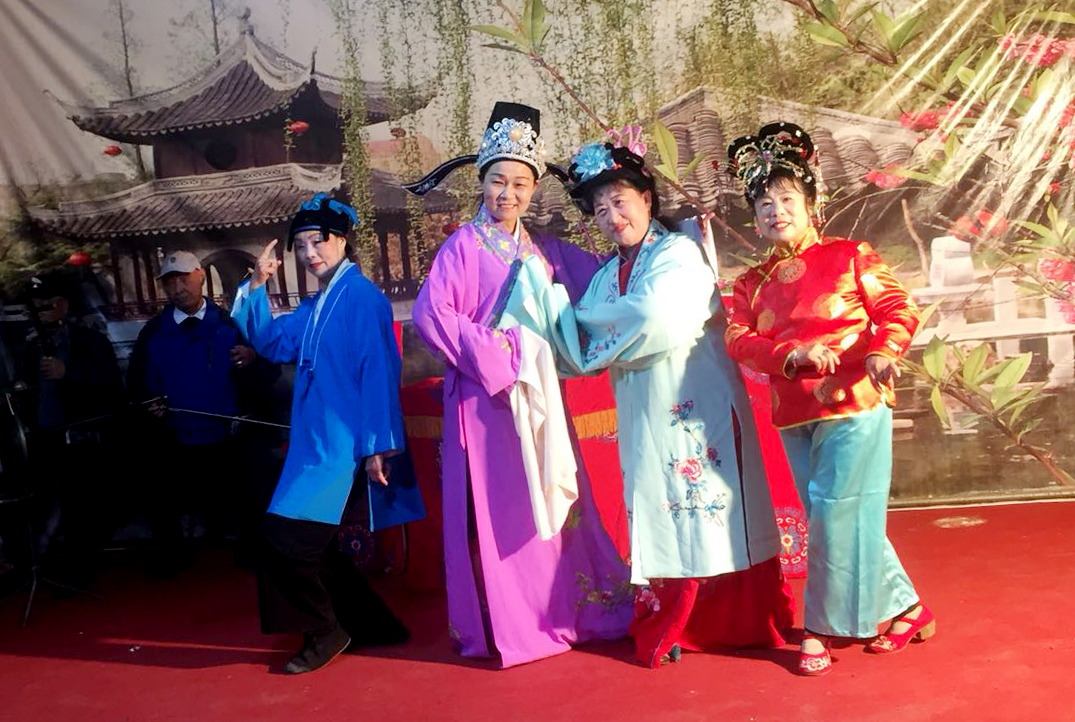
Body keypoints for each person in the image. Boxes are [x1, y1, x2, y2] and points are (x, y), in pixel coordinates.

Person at [498, 137, 794, 668]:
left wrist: (572, 321)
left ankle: (729, 621)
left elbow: (655, 317)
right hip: (644, 412)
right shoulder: (607, 277)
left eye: (620, 201)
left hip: (697, 404)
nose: (613, 217)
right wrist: (543, 314)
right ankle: (675, 621)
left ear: (647, 199)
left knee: (708, 508)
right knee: (661, 509)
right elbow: (580, 340)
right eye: (600, 209)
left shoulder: (679, 253)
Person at [408, 102, 632, 668]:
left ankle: (573, 609)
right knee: (504, 512)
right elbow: (432, 315)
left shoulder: (542, 250)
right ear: (481, 182)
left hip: (539, 398)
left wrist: (653, 250)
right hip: (485, 400)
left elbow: (605, 280)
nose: (507, 194)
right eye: (497, 181)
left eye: (520, 184)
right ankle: (517, 622)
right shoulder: (463, 245)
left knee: (554, 502)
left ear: (534, 190)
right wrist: (505, 353)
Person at [723, 122, 934, 676]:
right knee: (835, 515)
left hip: (854, 399)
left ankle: (820, 628)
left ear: (810, 202)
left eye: (787, 199)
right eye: (764, 203)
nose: (776, 211)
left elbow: (899, 308)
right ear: (755, 216)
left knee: (838, 514)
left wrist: (883, 352)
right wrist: (789, 354)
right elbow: (739, 339)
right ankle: (908, 608)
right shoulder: (750, 283)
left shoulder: (849, 255)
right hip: (794, 412)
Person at [231, 193, 417, 675]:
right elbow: (272, 342)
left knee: (285, 539)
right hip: (313, 444)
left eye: (319, 241)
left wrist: (377, 446)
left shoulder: (364, 299)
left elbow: (379, 373)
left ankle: (324, 630)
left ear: (342, 241)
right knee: (314, 542)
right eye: (301, 245)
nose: (309, 252)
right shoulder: (315, 305)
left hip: (344, 444)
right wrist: (257, 285)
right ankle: (373, 625)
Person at [127, 251, 278, 576]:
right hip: (177, 439)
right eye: (170, 283)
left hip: (228, 437)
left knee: (259, 466)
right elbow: (136, 383)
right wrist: (149, 401)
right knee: (147, 474)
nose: (178, 289)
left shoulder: (230, 323)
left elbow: (269, 375)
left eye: (184, 279)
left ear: (200, 276)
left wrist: (253, 359)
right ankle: (173, 553)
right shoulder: (153, 332)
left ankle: (250, 548)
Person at [19, 272, 125, 585]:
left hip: (82, 442)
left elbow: (111, 388)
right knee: (45, 508)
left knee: (80, 509)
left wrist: (69, 373)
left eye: (47, 305)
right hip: (44, 443)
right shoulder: (31, 349)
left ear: (63, 305)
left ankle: (81, 569)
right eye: (35, 307)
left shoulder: (90, 341)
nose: (41, 313)